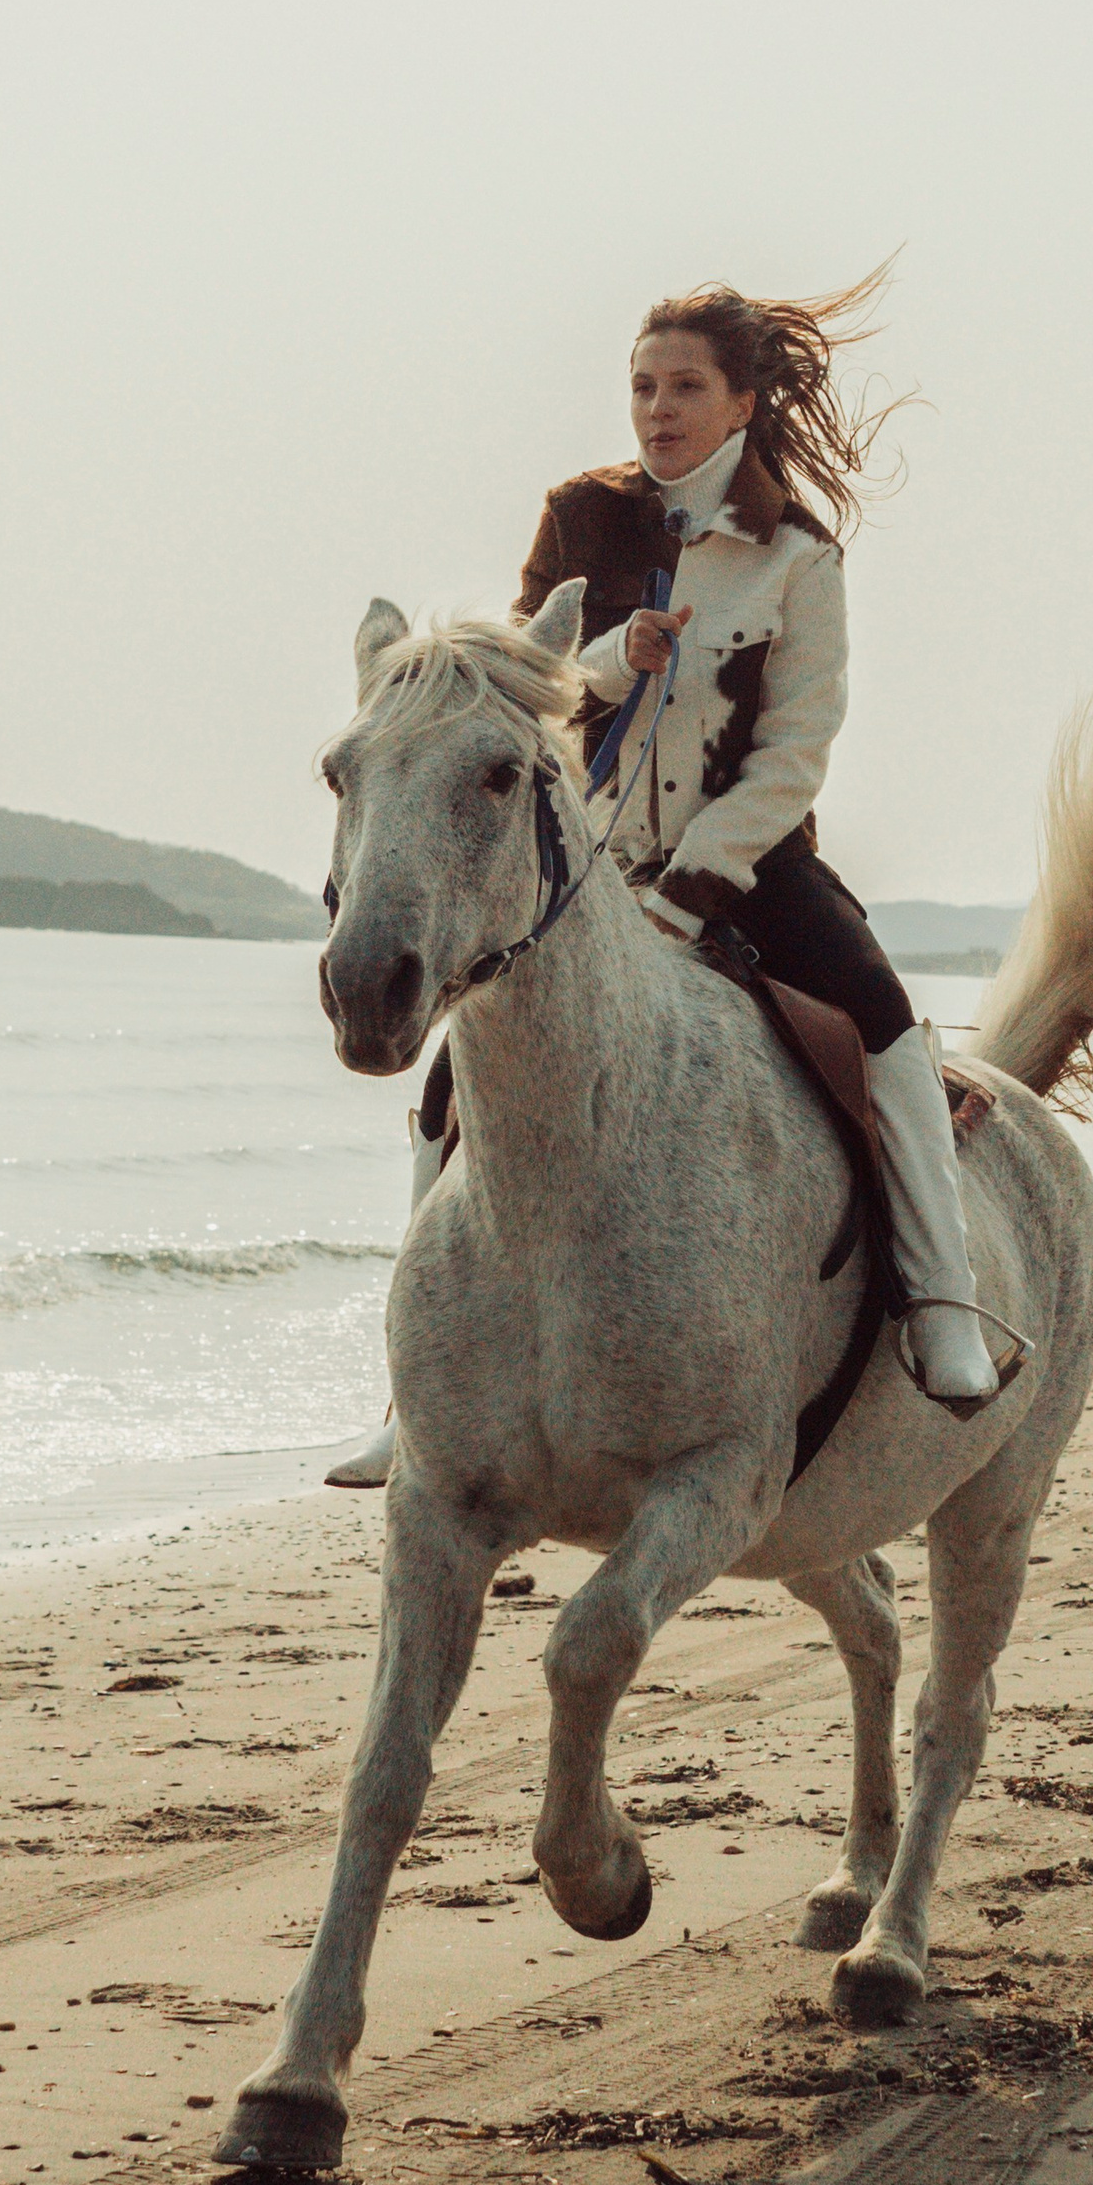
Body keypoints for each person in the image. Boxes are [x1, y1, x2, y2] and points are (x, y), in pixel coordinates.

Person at [325, 271, 998, 1488]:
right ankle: (410, 1392)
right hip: (583, 868)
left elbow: (797, 749)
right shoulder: (580, 516)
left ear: (742, 400)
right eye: (642, 385)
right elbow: (511, 692)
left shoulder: (798, 555)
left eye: (685, 385)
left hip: (748, 863)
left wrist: (701, 880)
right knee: (444, 1085)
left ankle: (941, 1298)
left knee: (889, 1028)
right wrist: (606, 658)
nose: (656, 407)